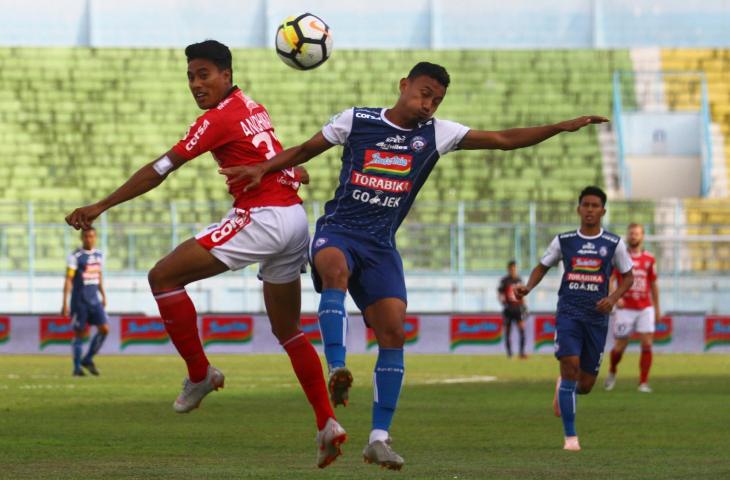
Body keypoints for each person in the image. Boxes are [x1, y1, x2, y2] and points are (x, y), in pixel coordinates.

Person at [220, 62, 607, 469]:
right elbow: (303, 151)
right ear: (404, 85)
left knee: (394, 333)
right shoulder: (357, 119)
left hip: (381, 247)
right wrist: (265, 167)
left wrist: (559, 127)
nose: (428, 105)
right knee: (334, 271)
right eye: (424, 93)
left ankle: (378, 439)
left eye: (437, 100)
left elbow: (503, 139)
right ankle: (337, 368)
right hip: (339, 230)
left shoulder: (437, 133)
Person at [64, 40, 346, 468]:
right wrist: (294, 170)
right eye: (191, 76)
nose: (196, 84)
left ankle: (200, 374)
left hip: (263, 217)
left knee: (162, 277)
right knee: (288, 330)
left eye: (204, 74)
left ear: (226, 76)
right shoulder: (252, 106)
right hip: (293, 219)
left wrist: (100, 205)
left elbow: (162, 168)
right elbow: (267, 151)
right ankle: (327, 423)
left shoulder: (216, 120)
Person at [515, 186, 634, 451]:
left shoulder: (614, 243)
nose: (590, 210)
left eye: (595, 206)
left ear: (603, 210)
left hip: (597, 318)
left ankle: (565, 389)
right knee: (569, 364)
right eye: (586, 205)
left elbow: (628, 277)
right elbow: (542, 266)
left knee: (587, 384)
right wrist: (528, 287)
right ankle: (571, 438)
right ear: (578, 209)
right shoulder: (564, 241)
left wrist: (613, 299)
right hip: (568, 313)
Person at [604, 223, 659, 393]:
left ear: (642, 236)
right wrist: (614, 298)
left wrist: (657, 308)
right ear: (627, 236)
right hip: (625, 308)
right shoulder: (620, 256)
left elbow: (653, 284)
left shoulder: (650, 259)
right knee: (620, 346)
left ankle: (643, 382)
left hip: (645, 307)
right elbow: (610, 280)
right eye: (631, 233)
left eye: (637, 233)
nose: (633, 236)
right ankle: (613, 370)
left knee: (647, 344)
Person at [62, 227, 108, 376]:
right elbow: (69, 279)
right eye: (86, 237)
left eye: (92, 236)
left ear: (95, 237)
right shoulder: (75, 256)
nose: (89, 239)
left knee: (104, 329)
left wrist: (103, 295)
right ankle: (76, 369)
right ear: (82, 238)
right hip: (79, 301)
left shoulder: (99, 255)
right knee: (79, 333)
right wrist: (65, 302)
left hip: (94, 299)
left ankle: (87, 359)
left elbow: (99, 275)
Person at [498, 260, 527, 358]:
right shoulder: (504, 281)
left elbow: (522, 295)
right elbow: (500, 293)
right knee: (507, 331)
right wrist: (502, 301)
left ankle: (521, 353)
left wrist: (524, 306)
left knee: (522, 329)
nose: (513, 270)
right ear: (508, 269)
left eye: (514, 268)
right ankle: (509, 354)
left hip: (518, 308)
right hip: (508, 308)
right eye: (511, 268)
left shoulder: (519, 280)